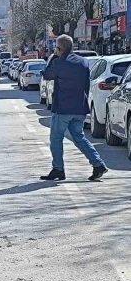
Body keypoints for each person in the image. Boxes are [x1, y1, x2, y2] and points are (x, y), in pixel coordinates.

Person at [40, 34, 107, 181]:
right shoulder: (83, 62)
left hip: (63, 108)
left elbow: (47, 75)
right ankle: (98, 164)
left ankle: (58, 169)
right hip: (79, 107)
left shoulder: (58, 62)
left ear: (59, 48)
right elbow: (86, 85)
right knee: (79, 137)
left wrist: (53, 57)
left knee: (56, 139)